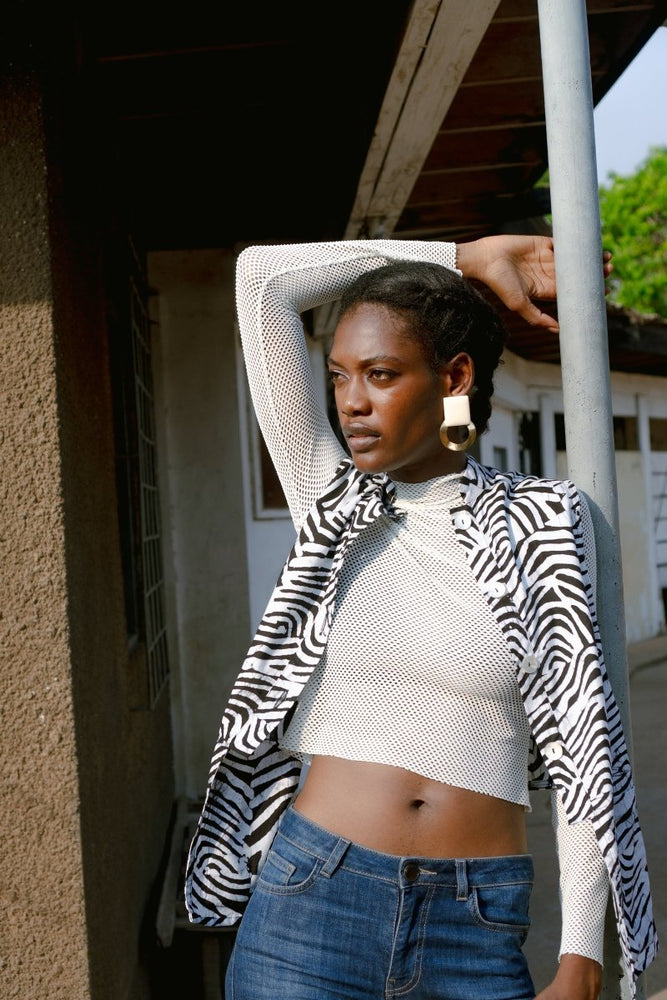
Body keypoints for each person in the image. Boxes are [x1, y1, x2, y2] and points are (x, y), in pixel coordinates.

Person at [185, 235, 657, 1000]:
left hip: (475, 924)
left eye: (379, 374)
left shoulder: (546, 524)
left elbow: (586, 747)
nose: (350, 401)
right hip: (310, 907)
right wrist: (462, 257)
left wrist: (579, 953)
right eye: (338, 376)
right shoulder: (329, 499)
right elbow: (260, 279)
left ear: (453, 377)